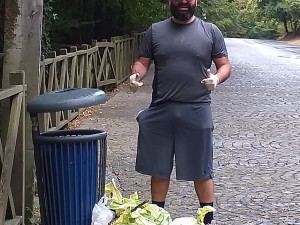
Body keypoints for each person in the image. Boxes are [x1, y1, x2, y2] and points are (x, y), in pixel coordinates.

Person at [129, 0, 231, 224]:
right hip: (161, 108)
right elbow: (142, 62)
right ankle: (157, 217)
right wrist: (136, 75)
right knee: (159, 167)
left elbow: (225, 65)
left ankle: (207, 220)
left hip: (197, 108)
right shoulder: (155, 31)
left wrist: (217, 78)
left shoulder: (210, 31)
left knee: (202, 169)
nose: (183, 1)